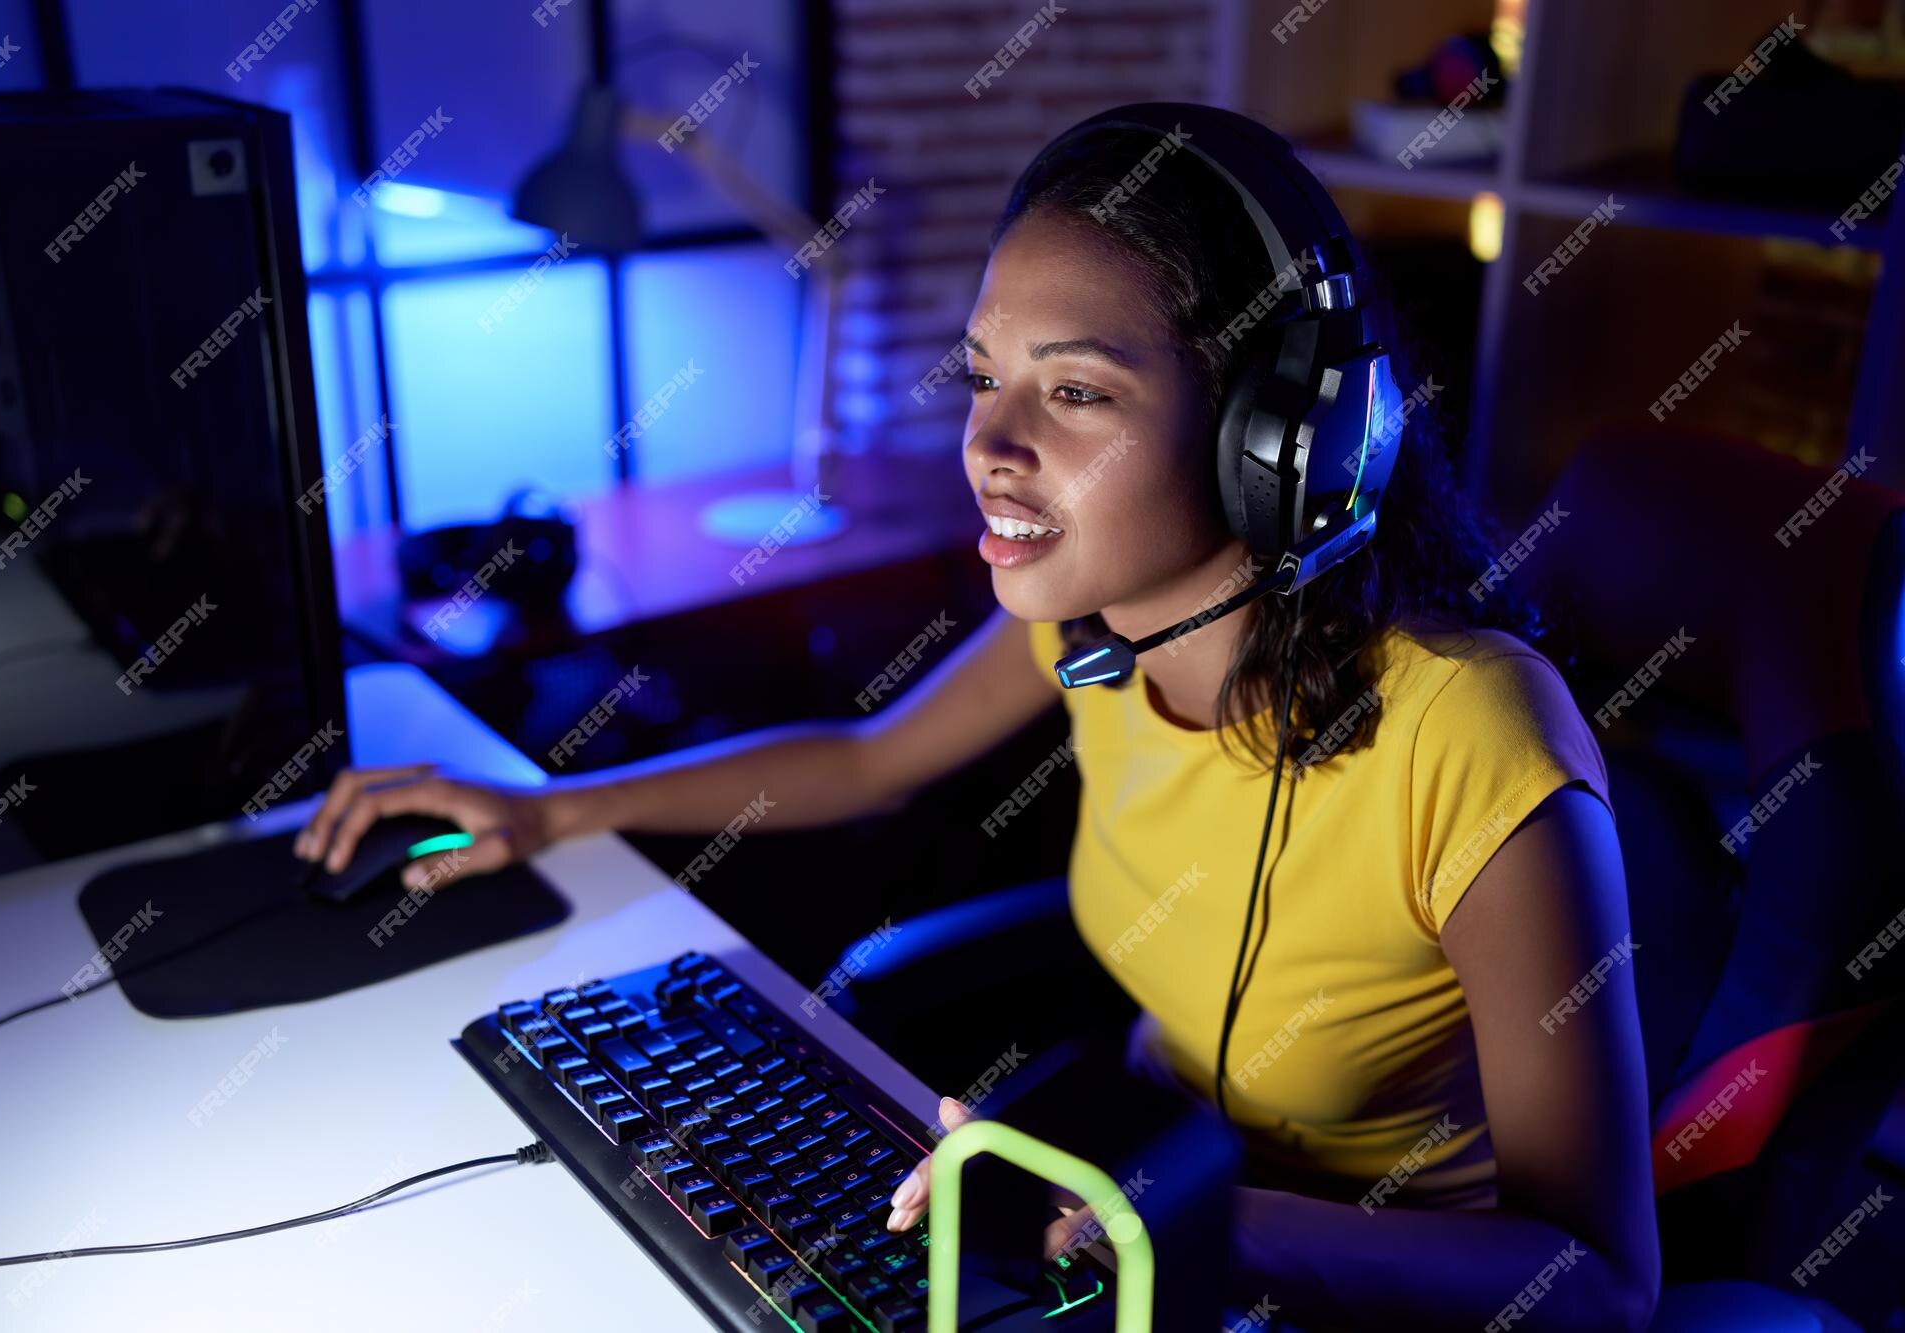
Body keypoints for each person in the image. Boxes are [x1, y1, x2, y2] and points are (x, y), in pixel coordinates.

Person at [296, 108, 1660, 1330]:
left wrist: (1171, 1213)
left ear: (1274, 438)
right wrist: (549, 806)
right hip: (1127, 1230)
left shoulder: (1473, 735)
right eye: (983, 378)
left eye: (1074, 392)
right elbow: (869, 759)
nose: (988, 446)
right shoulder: (1095, 632)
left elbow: (1597, 1280)